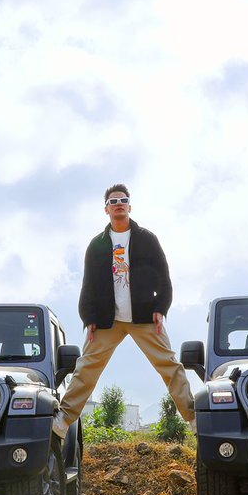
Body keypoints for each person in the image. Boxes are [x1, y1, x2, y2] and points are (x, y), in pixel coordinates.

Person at [53, 184, 195, 438]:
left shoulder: (147, 239)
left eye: (123, 199)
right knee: (86, 368)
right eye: (113, 200)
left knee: (170, 366)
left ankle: (194, 419)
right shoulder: (96, 245)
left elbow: (164, 275)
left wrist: (160, 308)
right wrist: (89, 319)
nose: (118, 203)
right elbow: (88, 285)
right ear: (106, 209)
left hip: (144, 317)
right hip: (108, 320)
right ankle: (63, 419)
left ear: (130, 206)